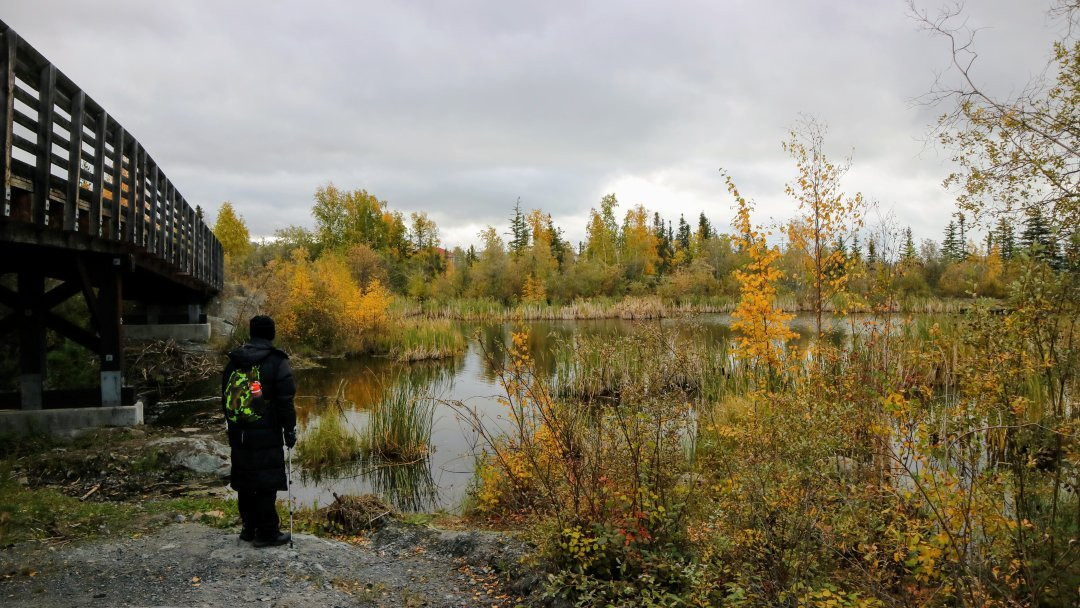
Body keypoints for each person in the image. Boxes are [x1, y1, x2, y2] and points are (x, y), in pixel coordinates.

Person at [222, 315, 297, 547]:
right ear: (271, 334)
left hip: (240, 432)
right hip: (267, 432)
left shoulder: (234, 361)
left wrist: (233, 426)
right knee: (266, 482)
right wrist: (289, 429)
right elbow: (285, 401)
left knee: (245, 479)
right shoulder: (277, 361)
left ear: (251, 333)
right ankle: (267, 533)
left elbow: (225, 398)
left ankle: (248, 528)